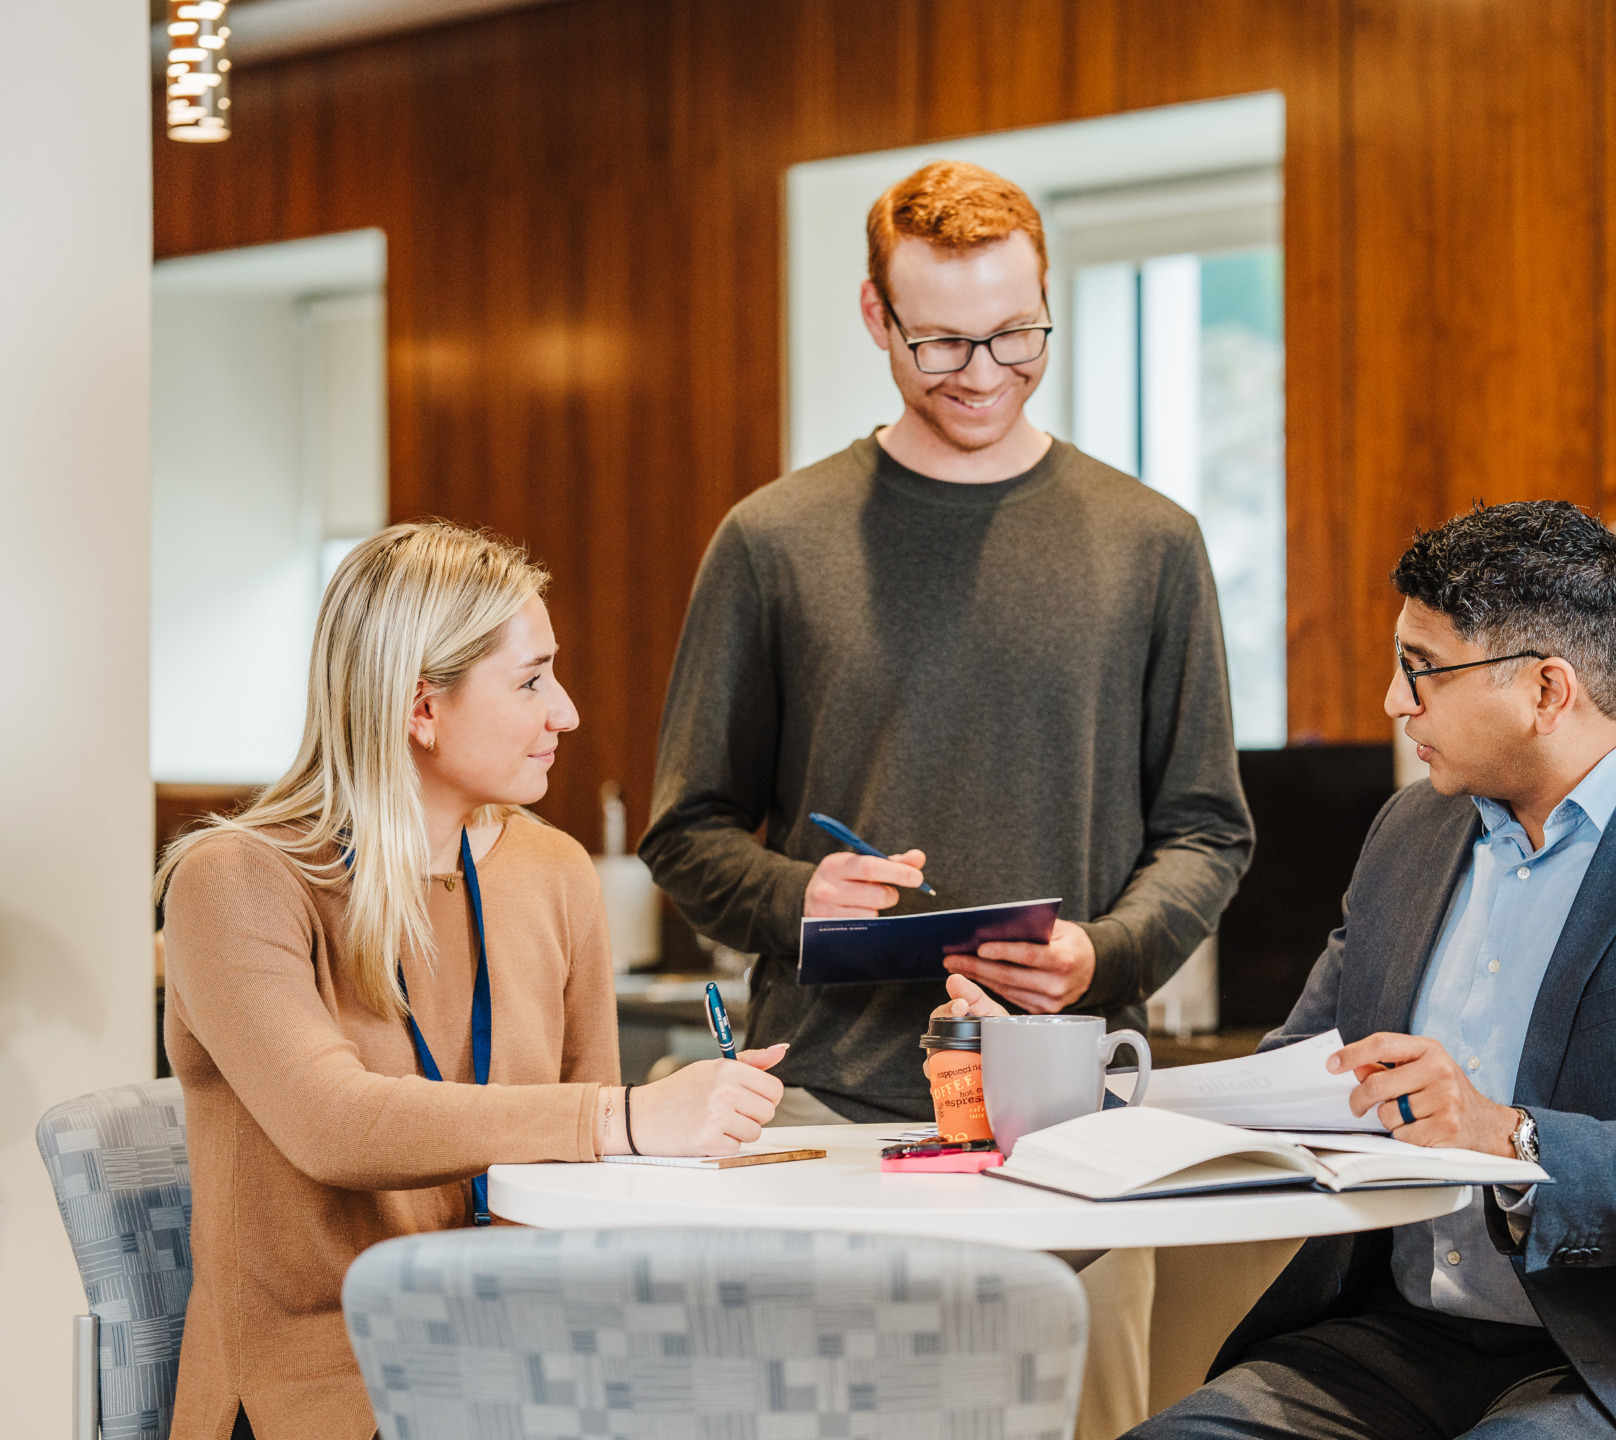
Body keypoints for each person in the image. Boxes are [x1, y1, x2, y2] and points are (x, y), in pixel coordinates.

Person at [1092, 500, 1616, 1438]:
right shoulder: (1410, 831)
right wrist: (1098, 1099)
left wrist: (1509, 1137)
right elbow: (1305, 1064)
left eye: (1422, 670)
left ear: (1547, 690)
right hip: (1405, 1342)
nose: (1393, 702)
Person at [641, 159, 1253, 1127]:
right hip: (825, 1102)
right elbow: (685, 830)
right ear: (876, 317)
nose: (982, 375)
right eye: (940, 344)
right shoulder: (772, 542)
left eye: (1016, 335)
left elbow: (1207, 829)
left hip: (1077, 1107)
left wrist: (1107, 953)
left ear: (1045, 298)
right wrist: (797, 892)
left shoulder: (1153, 542)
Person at [158, 522, 787, 1440]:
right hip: (331, 1391)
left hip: (523, 1360)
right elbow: (332, 1124)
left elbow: (593, 1180)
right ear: (422, 709)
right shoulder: (235, 880)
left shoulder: (556, 872)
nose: (565, 712)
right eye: (531, 681)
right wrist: (625, 1118)